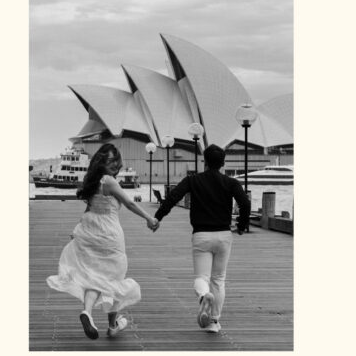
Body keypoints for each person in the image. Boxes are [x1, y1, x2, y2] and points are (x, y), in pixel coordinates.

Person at [46, 143, 160, 339]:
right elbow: (130, 203)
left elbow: (88, 209)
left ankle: (87, 313)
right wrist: (149, 218)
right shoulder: (108, 181)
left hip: (90, 231)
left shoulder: (92, 180)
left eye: (116, 161)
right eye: (110, 161)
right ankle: (113, 324)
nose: (115, 165)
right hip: (108, 234)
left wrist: (77, 230)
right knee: (115, 276)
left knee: (95, 276)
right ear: (101, 162)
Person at [153, 144, 250, 333]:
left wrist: (158, 217)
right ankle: (214, 321)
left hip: (201, 235)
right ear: (223, 162)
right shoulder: (231, 183)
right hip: (224, 235)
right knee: (219, 279)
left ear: (204, 161)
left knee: (201, 278)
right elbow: (245, 203)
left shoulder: (193, 180)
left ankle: (204, 296)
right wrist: (241, 225)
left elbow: (173, 196)